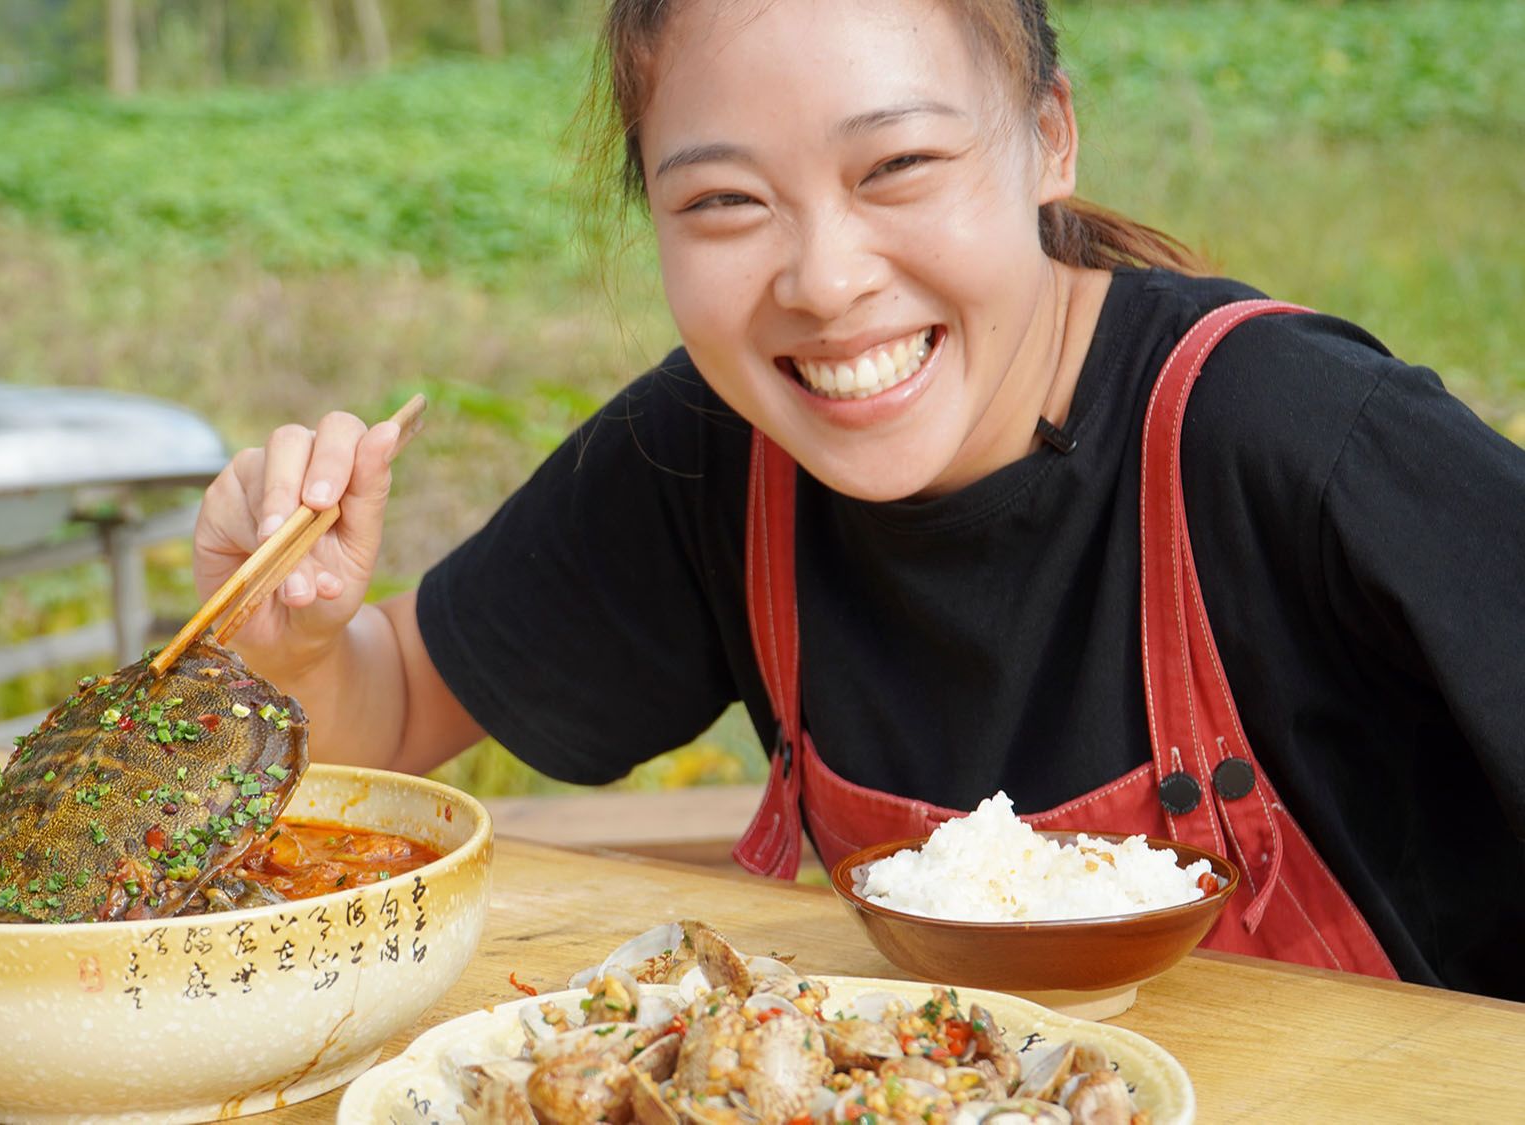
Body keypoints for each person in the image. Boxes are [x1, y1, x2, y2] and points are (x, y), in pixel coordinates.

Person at [192, 0, 1525, 1001]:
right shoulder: (712, 457)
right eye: (724, 201)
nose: (825, 281)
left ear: (1048, 136)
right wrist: (294, 642)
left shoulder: (1298, 436)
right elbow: (393, 706)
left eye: (897, 168)